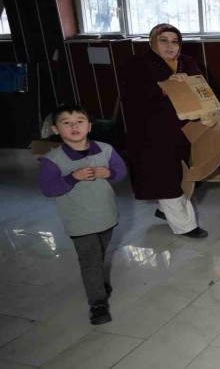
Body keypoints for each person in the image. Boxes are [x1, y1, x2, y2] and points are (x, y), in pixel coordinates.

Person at [38, 104, 127, 325]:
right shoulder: (52, 159)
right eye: (66, 123)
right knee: (90, 259)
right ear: (56, 129)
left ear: (89, 126)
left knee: (99, 253)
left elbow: (121, 172)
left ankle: (97, 281)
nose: (74, 126)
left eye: (79, 121)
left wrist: (110, 173)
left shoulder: (105, 149)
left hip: (106, 215)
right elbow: (48, 189)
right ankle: (98, 303)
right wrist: (72, 177)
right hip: (78, 221)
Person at [121, 23, 209, 238]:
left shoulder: (187, 62)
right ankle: (186, 226)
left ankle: (164, 209)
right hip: (151, 133)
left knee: (181, 174)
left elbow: (202, 89)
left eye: (175, 42)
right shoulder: (137, 64)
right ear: (153, 42)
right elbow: (133, 97)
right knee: (165, 176)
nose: (170, 46)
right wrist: (165, 86)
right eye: (164, 41)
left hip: (183, 130)